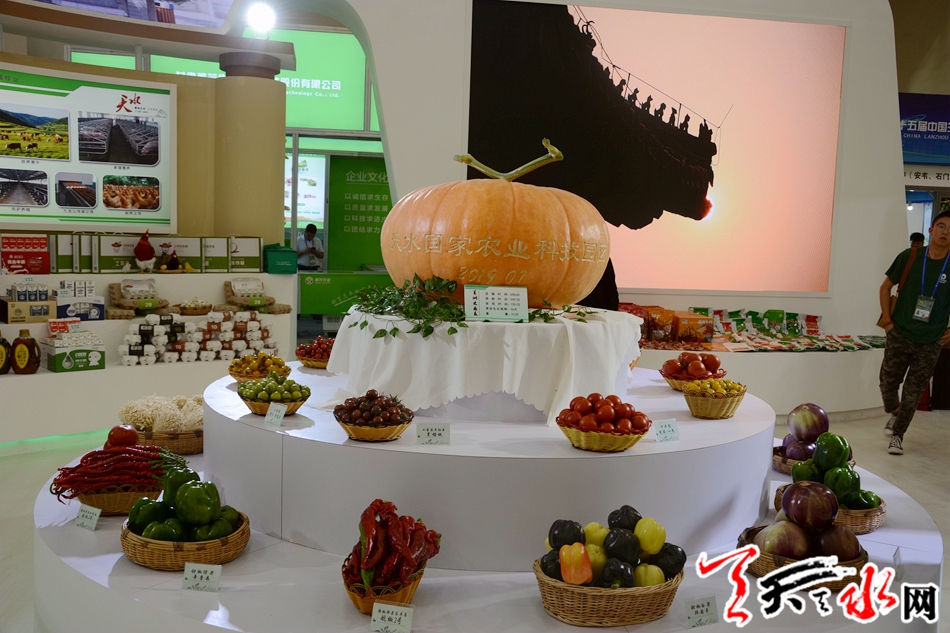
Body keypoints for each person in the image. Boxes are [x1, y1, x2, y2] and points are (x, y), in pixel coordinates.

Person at [878, 210, 950, 454]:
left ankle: (897, 435)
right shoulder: (910, 256)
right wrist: (888, 322)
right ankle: (895, 412)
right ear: (931, 230)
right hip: (900, 332)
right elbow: (886, 287)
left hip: (931, 340)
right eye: (941, 226)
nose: (945, 232)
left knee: (913, 392)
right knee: (887, 384)